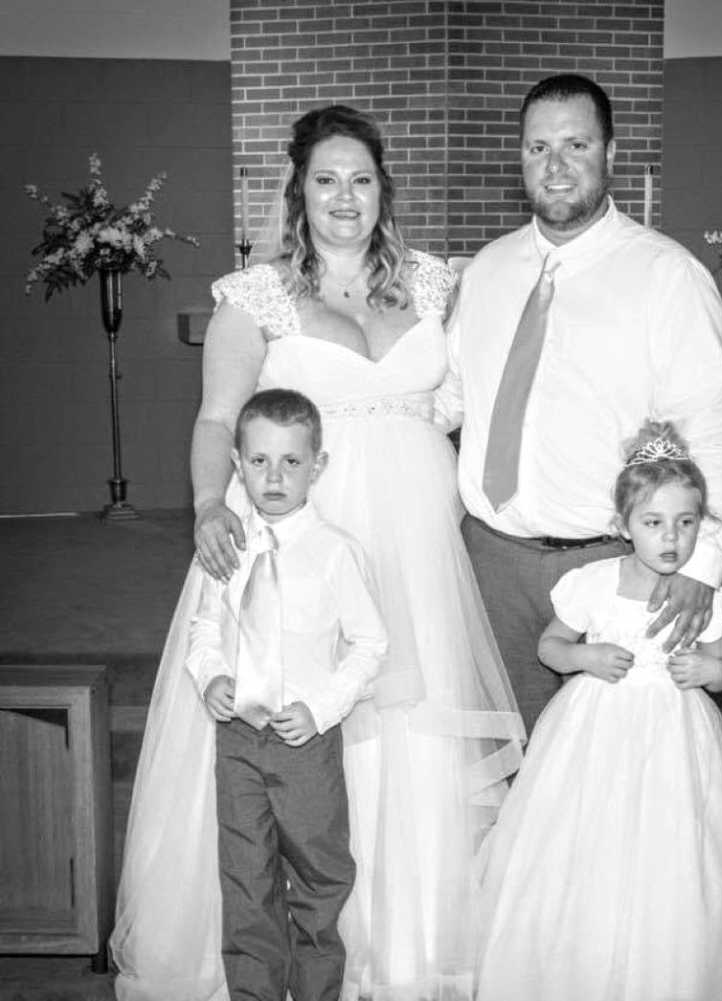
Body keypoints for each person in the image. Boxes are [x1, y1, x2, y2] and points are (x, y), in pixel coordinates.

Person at [110, 105, 524, 1001]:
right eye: (326, 178)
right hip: (295, 534)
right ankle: (260, 953)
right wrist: (200, 509)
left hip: (413, 544)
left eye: (362, 178)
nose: (345, 196)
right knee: (289, 720)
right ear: (299, 190)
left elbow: (460, 403)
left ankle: (398, 942)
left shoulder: (435, 284)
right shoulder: (252, 297)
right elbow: (219, 418)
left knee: (404, 719)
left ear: (384, 189)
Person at [435, 73, 722, 731]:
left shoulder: (666, 274)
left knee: (607, 775)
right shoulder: (486, 272)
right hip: (491, 558)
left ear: (610, 155)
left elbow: (711, 424)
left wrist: (702, 559)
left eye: (575, 146)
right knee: (501, 759)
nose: (554, 167)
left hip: (614, 567)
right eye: (536, 148)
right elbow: (449, 402)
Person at [475, 421, 722, 1001]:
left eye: (686, 523)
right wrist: (585, 655)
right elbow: (550, 646)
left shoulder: (707, 598)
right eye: (653, 523)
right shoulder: (591, 582)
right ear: (621, 527)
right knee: (585, 843)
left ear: (702, 525)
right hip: (595, 733)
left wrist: (711, 672)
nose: (672, 538)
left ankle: (669, 970)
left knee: (673, 848)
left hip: (674, 735)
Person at [186, 389, 387, 1001]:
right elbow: (204, 629)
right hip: (240, 741)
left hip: (306, 744)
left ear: (317, 466)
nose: (274, 477)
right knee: (247, 878)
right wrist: (211, 677)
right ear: (238, 465)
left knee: (320, 877)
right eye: (259, 461)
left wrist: (321, 709)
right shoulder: (227, 547)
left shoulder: (336, 552)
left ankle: (319, 991)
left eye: (291, 462)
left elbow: (370, 645)